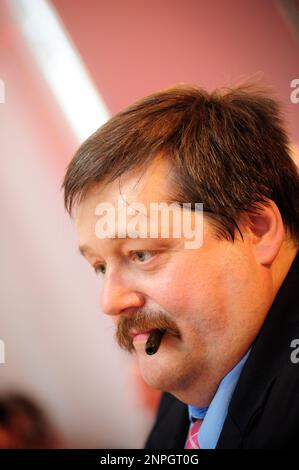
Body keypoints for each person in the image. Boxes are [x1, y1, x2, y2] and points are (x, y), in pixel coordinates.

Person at [62, 83, 299, 449]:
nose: (109, 302)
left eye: (141, 254)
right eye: (100, 267)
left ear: (257, 228)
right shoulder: (189, 391)